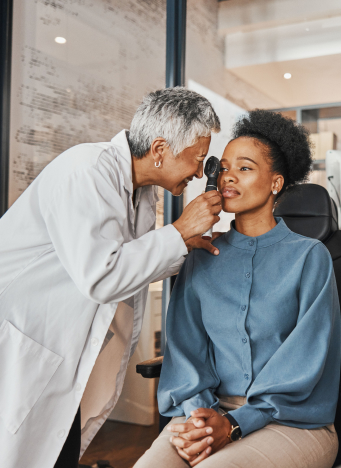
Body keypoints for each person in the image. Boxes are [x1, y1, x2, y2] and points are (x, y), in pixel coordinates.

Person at [0, 87, 223, 468]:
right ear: (159, 150)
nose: (200, 172)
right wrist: (178, 231)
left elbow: (133, 265)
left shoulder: (141, 193)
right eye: (198, 159)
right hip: (22, 340)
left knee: (56, 450)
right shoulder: (85, 170)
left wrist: (185, 244)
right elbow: (102, 276)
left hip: (57, 353)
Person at [135, 110, 341, 468]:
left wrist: (232, 424)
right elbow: (186, 352)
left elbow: (303, 364)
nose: (228, 177)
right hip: (206, 411)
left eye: (244, 168)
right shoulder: (200, 255)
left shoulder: (310, 258)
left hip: (290, 420)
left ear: (276, 183)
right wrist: (200, 417)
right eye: (224, 167)